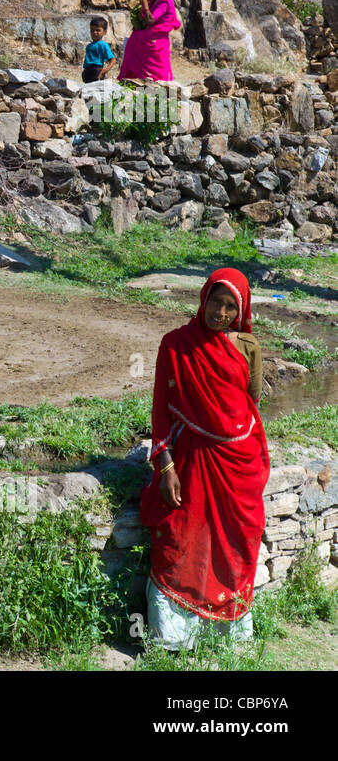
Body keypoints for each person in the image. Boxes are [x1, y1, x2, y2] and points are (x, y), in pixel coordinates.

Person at [140, 268, 269, 651]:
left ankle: (227, 634)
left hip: (237, 465)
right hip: (191, 463)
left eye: (231, 306)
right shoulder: (176, 345)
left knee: (233, 544)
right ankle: (172, 637)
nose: (221, 312)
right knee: (179, 539)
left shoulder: (248, 347)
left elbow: (250, 403)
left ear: (241, 310)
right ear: (203, 297)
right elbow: (161, 411)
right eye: (216, 301)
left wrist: (228, 433)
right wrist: (165, 466)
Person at [118, 0, 182, 82]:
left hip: (156, 38)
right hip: (151, 35)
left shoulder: (166, 1)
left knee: (135, 41)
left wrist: (143, 1)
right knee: (133, 41)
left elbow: (150, 20)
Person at [82, 16, 116, 83]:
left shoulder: (103, 45)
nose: (94, 32)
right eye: (92, 30)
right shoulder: (89, 46)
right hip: (87, 71)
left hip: (97, 71)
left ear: (105, 32)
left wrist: (105, 70)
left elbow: (113, 60)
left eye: (98, 30)